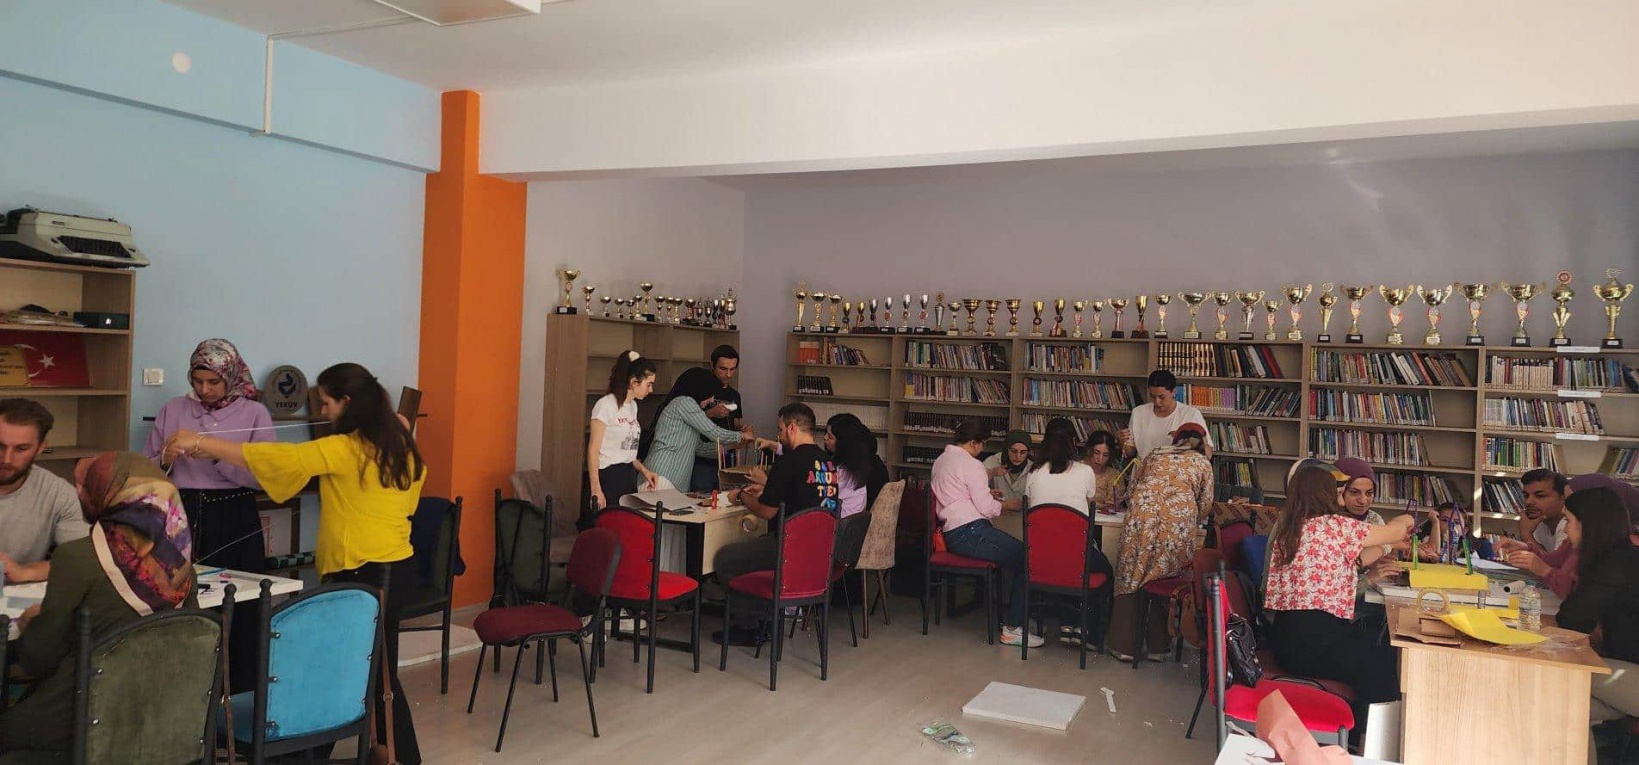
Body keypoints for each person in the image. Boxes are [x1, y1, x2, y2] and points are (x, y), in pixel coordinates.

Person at [166, 363, 425, 764]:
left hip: (366, 570)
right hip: (392, 567)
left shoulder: (349, 448)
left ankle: (386, 757)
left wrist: (203, 442)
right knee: (361, 671)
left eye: (327, 403)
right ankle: (317, 753)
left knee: (371, 675)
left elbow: (279, 459)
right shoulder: (399, 445)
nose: (322, 411)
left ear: (348, 402)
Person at [1, 452, 197, 754]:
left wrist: (32, 623)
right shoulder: (182, 570)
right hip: (161, 722)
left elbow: (38, 659)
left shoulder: (78, 558)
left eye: (87, 486)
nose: (78, 493)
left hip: (81, 723)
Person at [1264, 464, 1415, 737]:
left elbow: (1354, 560)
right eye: (1339, 489)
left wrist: (1387, 546)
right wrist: (1405, 520)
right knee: (1383, 664)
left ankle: (1357, 731)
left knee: (1376, 650)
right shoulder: (1336, 526)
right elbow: (1394, 531)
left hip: (1287, 640)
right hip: (1316, 644)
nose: (1342, 493)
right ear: (1325, 493)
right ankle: (1367, 739)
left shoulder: (1292, 528)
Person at [143, 338, 274, 573]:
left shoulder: (255, 413)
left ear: (231, 376)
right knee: (179, 582)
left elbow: (264, 476)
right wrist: (164, 460)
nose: (204, 389)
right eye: (198, 381)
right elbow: (144, 471)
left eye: (214, 382)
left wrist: (216, 455)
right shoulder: (173, 408)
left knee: (239, 584)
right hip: (180, 511)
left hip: (235, 513)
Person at [713, 403, 839, 646]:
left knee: (726, 559)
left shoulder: (788, 462)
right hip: (820, 552)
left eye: (780, 429)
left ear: (792, 428)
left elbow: (766, 511)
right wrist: (768, 490)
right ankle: (765, 620)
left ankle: (749, 627)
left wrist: (741, 496)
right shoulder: (828, 463)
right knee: (752, 551)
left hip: (789, 550)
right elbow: (804, 495)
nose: (778, 436)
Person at [1108, 422, 1214, 661]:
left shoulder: (1155, 454)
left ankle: (1124, 647)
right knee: (1163, 580)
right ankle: (1157, 647)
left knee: (1131, 579)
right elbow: (1205, 504)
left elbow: (1132, 489)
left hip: (1140, 521)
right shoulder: (1202, 463)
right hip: (1175, 526)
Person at [1550, 487, 1639, 763]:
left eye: (1568, 520)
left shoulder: (1615, 564)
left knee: (1554, 678)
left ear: (1588, 524)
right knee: (1564, 705)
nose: (1565, 530)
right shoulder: (1624, 556)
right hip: (1627, 668)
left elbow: (1572, 620)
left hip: (1632, 675)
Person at [931, 420, 1038, 648]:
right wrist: (1006, 504)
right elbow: (986, 508)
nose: (983, 448)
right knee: (1027, 558)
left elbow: (957, 494)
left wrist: (988, 495)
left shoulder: (941, 461)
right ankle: (1014, 627)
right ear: (973, 442)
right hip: (971, 531)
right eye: (983, 443)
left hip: (953, 532)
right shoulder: (972, 464)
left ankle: (1014, 621)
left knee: (1021, 556)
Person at [0, 398, 89, 582]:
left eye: (21, 449)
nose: (6, 459)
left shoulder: (60, 494)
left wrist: (25, 572)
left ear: (41, 448)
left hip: (18, 595)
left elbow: (80, 563)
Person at [643, 367, 765, 492]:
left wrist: (732, 446)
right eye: (709, 395)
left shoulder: (687, 408)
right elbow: (714, 432)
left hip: (672, 483)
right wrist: (741, 436)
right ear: (699, 389)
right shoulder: (684, 402)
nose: (711, 400)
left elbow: (700, 448)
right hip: (660, 477)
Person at [588, 351, 659, 511]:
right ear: (634, 382)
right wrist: (595, 488)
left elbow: (626, 452)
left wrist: (644, 470)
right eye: (648, 384)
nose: (651, 390)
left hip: (628, 475)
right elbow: (593, 449)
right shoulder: (606, 405)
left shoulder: (632, 406)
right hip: (608, 476)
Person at [1122, 370, 1213, 461]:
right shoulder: (1138, 413)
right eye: (1152, 396)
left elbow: (1208, 455)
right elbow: (1131, 453)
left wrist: (1193, 441)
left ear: (1173, 391)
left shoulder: (1191, 414)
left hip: (1177, 469)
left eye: (1162, 397)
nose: (1157, 402)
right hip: (1144, 468)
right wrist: (1123, 442)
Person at [691, 345, 743, 490]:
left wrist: (743, 429)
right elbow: (689, 422)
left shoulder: (734, 395)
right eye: (723, 369)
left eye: (732, 369)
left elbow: (736, 424)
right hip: (702, 460)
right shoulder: (699, 390)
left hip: (728, 457)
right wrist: (711, 413)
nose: (728, 374)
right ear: (712, 365)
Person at [825, 413, 888, 518]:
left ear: (843, 442)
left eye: (830, 437)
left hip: (848, 522)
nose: (825, 438)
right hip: (860, 522)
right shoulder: (870, 462)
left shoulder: (849, 471)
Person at [1025, 429, 1097, 514]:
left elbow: (1029, 505)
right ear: (1072, 446)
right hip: (1074, 522)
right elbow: (1091, 504)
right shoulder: (1086, 471)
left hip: (1040, 522)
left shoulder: (1034, 471)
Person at [982, 430, 1032, 505]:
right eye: (1014, 451)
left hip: (1024, 512)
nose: (1018, 456)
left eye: (1023, 452)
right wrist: (991, 473)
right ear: (1006, 449)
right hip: (996, 510)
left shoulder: (1033, 468)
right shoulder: (991, 462)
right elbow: (976, 488)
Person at [1084, 430, 1126, 514]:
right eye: (1096, 453)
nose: (1100, 459)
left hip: (1102, 519)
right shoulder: (1077, 469)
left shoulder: (1114, 476)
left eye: (1105, 455)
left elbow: (1112, 506)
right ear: (1089, 450)